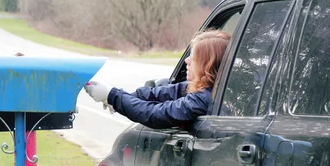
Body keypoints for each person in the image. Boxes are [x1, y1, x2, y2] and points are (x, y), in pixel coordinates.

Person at [84, 30, 231, 129]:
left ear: (208, 65)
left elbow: (155, 114)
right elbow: (159, 93)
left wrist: (112, 96)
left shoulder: (204, 99)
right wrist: (116, 98)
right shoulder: (205, 89)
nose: (187, 61)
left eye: (194, 58)